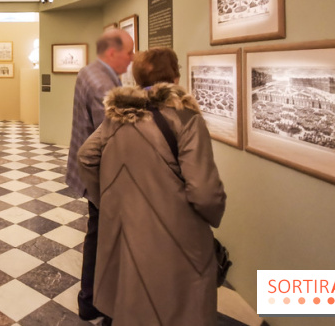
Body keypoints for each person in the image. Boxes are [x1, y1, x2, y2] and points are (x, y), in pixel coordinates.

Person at [77, 48, 227, 325]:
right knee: (178, 305)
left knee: (134, 299)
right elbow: (205, 192)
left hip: (127, 224)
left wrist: (107, 202)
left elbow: (86, 157)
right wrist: (212, 216)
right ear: (175, 77)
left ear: (137, 78)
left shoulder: (118, 115)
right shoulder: (185, 118)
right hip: (175, 231)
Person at [64, 29, 135, 322]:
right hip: (101, 176)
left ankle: (91, 299)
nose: (132, 59)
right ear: (112, 53)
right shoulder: (102, 85)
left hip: (89, 172)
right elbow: (110, 138)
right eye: (129, 53)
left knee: (98, 234)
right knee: (103, 238)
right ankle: (94, 300)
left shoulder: (89, 71)